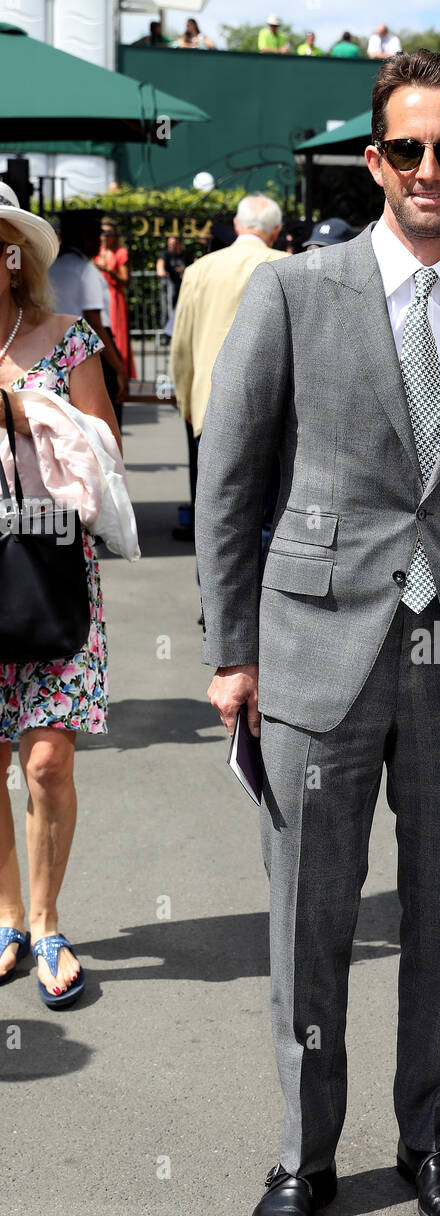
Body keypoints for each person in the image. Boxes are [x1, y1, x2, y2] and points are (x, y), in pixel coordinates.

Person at [195, 49, 440, 1216]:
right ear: (374, 158)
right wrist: (230, 650)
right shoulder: (293, 290)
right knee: (308, 921)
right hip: (311, 650)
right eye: (407, 148)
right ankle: (305, 1153)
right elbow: (227, 481)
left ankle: (430, 1136)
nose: (429, 169)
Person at [0, 184, 125, 1007]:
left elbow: (106, 447)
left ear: (12, 253)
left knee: (45, 761)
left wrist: (22, 408)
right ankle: (6, 915)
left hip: (47, 570)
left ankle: (47, 921)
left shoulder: (66, 339)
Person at [169, 194, 285, 535]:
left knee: (215, 520)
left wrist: (185, 401)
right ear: (276, 232)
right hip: (273, 412)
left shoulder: (197, 270)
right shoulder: (286, 267)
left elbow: (182, 346)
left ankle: (213, 588)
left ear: (236, 225)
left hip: (207, 405)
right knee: (267, 519)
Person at [48, 212, 127, 428]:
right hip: (88, 352)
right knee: (104, 426)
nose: (99, 240)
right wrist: (118, 369)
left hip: (54, 351)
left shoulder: (51, 267)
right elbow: (95, 325)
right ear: (83, 237)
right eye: (94, 235)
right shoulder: (85, 269)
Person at [94, 219, 135, 380]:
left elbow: (125, 280)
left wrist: (109, 271)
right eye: (103, 233)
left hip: (114, 297)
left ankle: (121, 373)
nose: (105, 236)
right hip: (98, 296)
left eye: (108, 233)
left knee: (117, 335)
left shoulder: (120, 253)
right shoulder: (97, 252)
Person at [155, 233, 187, 319]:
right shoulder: (166, 254)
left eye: (173, 244)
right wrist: (160, 270)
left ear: (179, 244)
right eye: (170, 244)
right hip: (169, 288)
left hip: (183, 288)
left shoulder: (185, 255)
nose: (171, 246)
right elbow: (160, 263)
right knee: (168, 311)